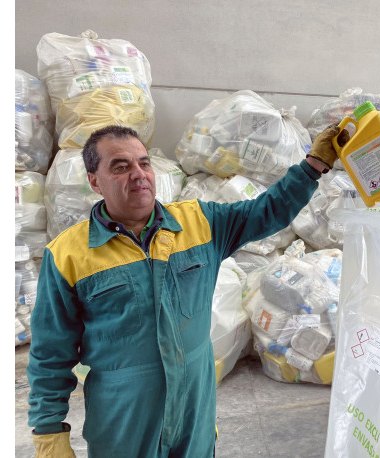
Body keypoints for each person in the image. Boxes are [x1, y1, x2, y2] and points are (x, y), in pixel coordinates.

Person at [27, 123, 346, 457]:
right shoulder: (68, 255)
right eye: (120, 167)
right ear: (94, 181)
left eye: (143, 163)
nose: (138, 174)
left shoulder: (199, 223)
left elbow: (267, 210)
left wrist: (313, 167)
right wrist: (49, 432)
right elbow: (51, 352)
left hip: (194, 408)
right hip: (124, 419)